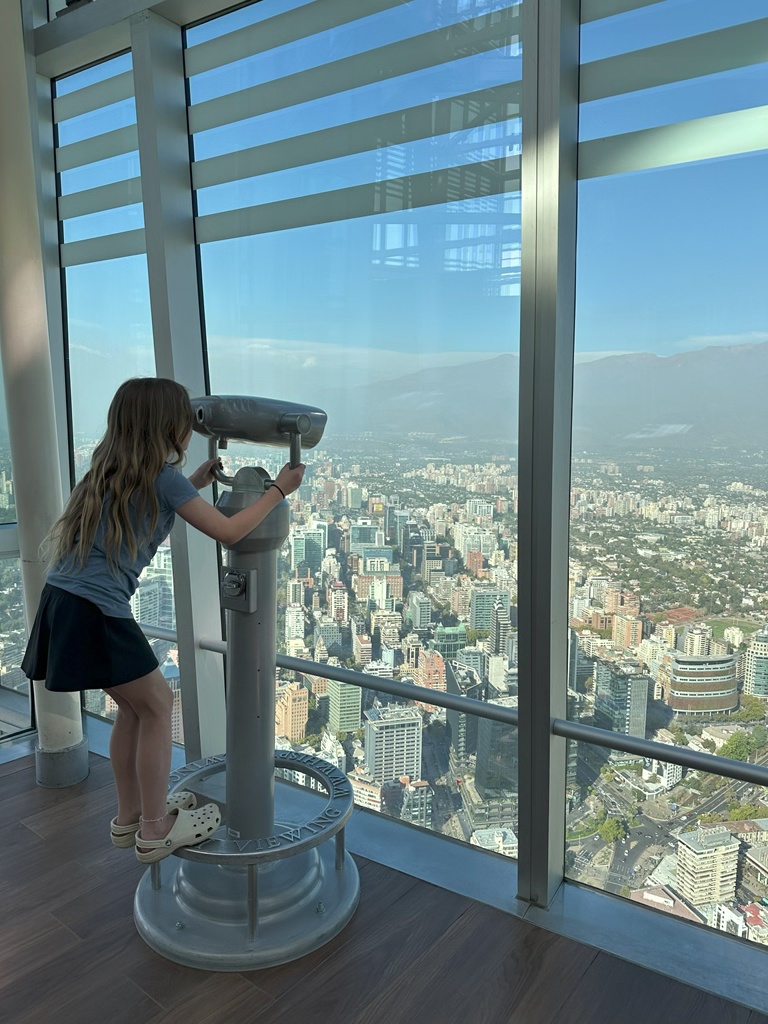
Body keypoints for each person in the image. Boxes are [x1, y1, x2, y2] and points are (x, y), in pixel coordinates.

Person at [21, 377, 305, 863]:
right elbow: (229, 531)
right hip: (96, 610)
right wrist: (280, 488)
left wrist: (194, 482)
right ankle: (155, 827)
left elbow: (150, 503)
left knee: (133, 710)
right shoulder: (161, 477)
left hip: (62, 602)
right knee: (156, 706)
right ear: (167, 426)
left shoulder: (108, 470)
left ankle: (130, 814)